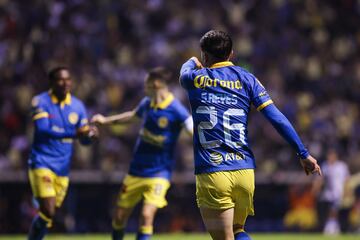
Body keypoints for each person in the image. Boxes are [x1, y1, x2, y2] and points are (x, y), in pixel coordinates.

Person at [179, 30, 322, 240]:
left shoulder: (195, 79)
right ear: (231, 54)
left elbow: (183, 73)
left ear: (205, 56)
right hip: (244, 172)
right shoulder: (247, 79)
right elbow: (277, 118)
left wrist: (192, 60)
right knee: (238, 232)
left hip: (213, 170)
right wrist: (303, 154)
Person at [91, 67, 193, 240]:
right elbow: (131, 116)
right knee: (119, 217)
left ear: (156, 83)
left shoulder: (176, 109)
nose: (144, 87)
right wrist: (105, 121)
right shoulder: (147, 103)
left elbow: (192, 128)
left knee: (146, 216)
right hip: (136, 171)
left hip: (159, 173)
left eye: (147, 83)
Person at [28, 67, 98, 240]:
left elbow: (83, 140)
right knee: (48, 208)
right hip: (42, 162)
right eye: (61, 80)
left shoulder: (77, 105)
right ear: (51, 83)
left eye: (68, 79)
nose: (65, 83)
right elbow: (43, 130)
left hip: (63, 169)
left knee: (47, 215)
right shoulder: (40, 102)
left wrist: (90, 136)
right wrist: (75, 134)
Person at [313, 148, 350, 235]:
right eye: (329, 156)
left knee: (335, 211)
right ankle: (331, 227)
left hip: (339, 192)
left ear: (336, 156)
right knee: (329, 211)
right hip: (327, 193)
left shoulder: (342, 166)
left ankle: (333, 227)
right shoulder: (325, 166)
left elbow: (347, 180)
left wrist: (347, 192)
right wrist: (316, 189)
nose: (331, 157)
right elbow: (320, 179)